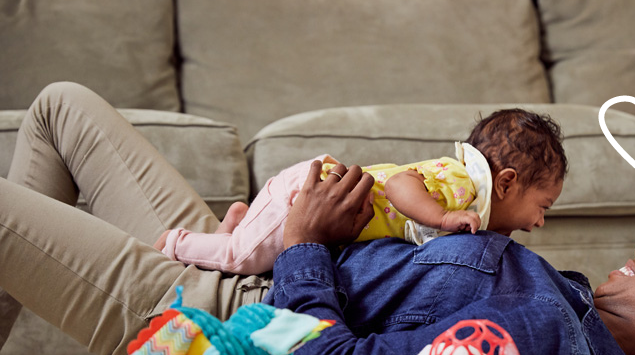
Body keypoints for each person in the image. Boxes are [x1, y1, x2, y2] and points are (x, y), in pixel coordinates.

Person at [0, 82, 635, 355]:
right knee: (62, 108)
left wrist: (310, 244)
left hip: (220, 313)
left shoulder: (529, 340)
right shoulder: (568, 301)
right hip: (251, 257)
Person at [154, 109, 567, 275]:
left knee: (251, 245)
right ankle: (176, 244)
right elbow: (402, 183)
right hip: (310, 198)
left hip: (309, 189)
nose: (542, 221)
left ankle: (238, 225)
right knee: (240, 260)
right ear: (506, 182)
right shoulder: (462, 184)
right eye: (543, 206)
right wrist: (441, 218)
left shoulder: (469, 193)